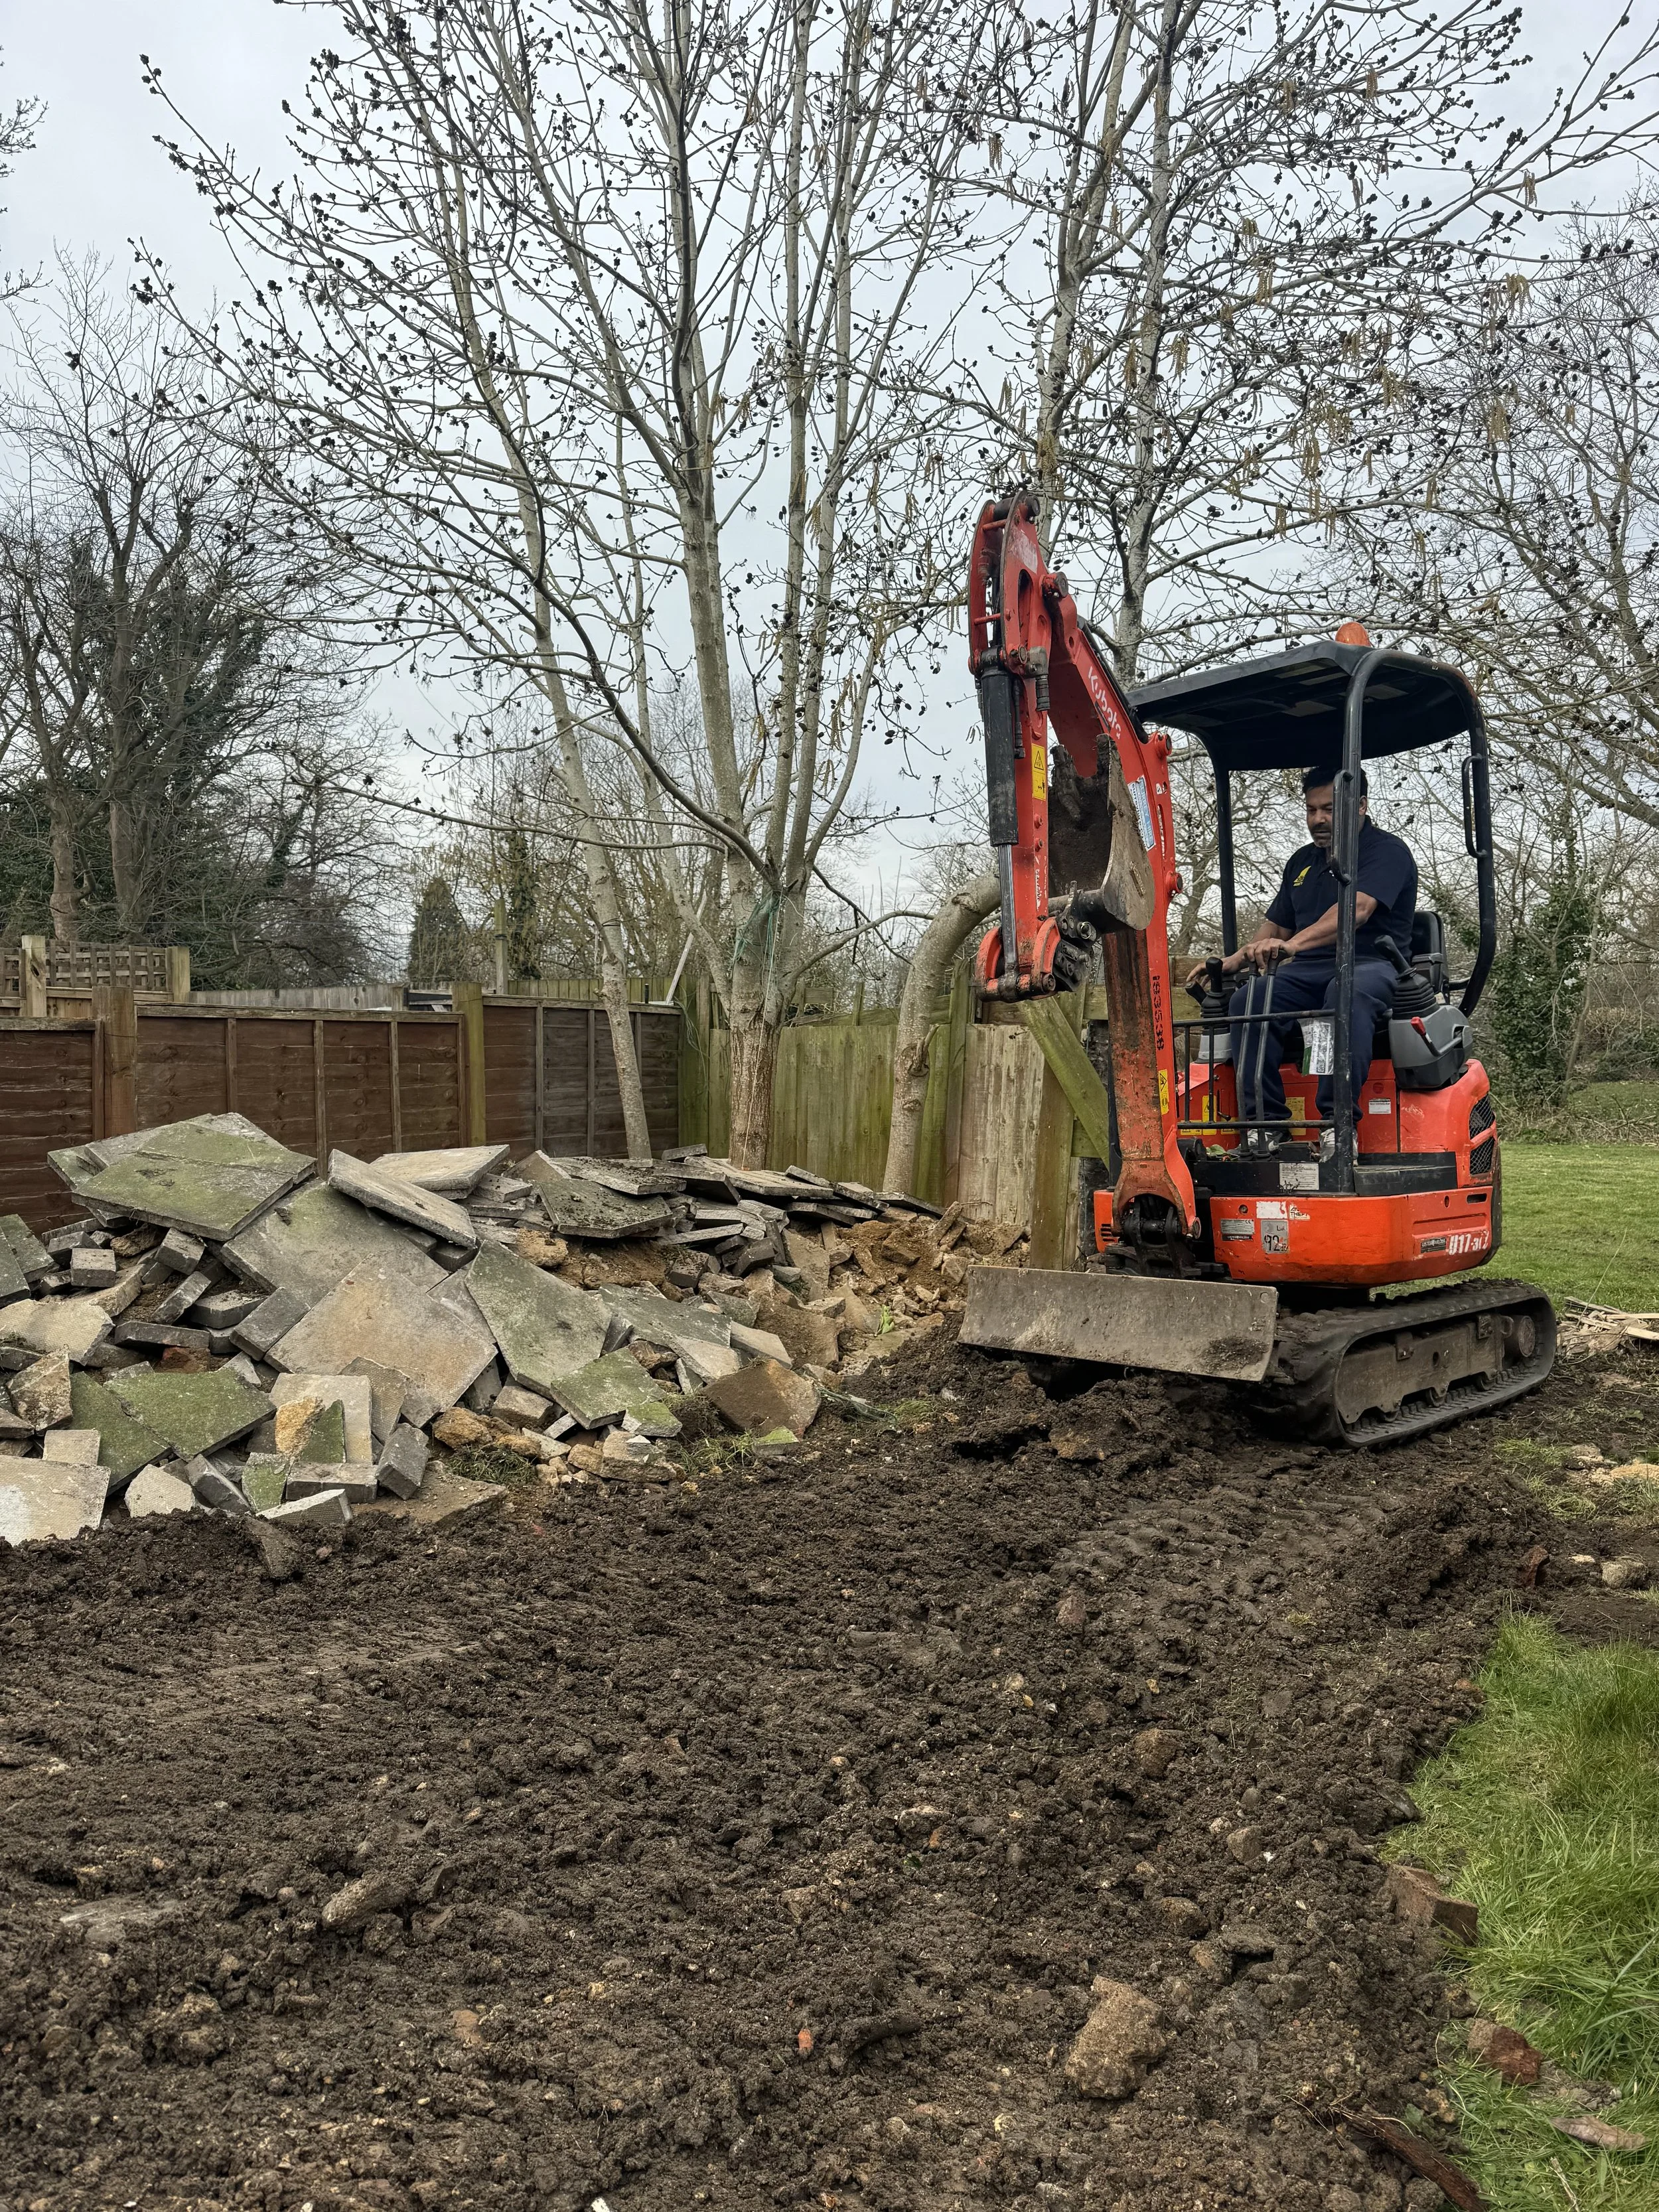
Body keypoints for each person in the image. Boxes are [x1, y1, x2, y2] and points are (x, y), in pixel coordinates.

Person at [1189, 767, 1417, 1147]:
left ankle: (1337, 1126)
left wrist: (1295, 945)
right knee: (1250, 998)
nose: (1318, 820)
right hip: (1308, 971)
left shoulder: (1386, 852)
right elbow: (1277, 928)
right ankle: (1264, 1127)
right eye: (1311, 810)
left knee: (1346, 993)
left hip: (1371, 966)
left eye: (1329, 809)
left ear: (1360, 806)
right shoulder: (1302, 862)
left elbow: (1355, 910)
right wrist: (1234, 960)